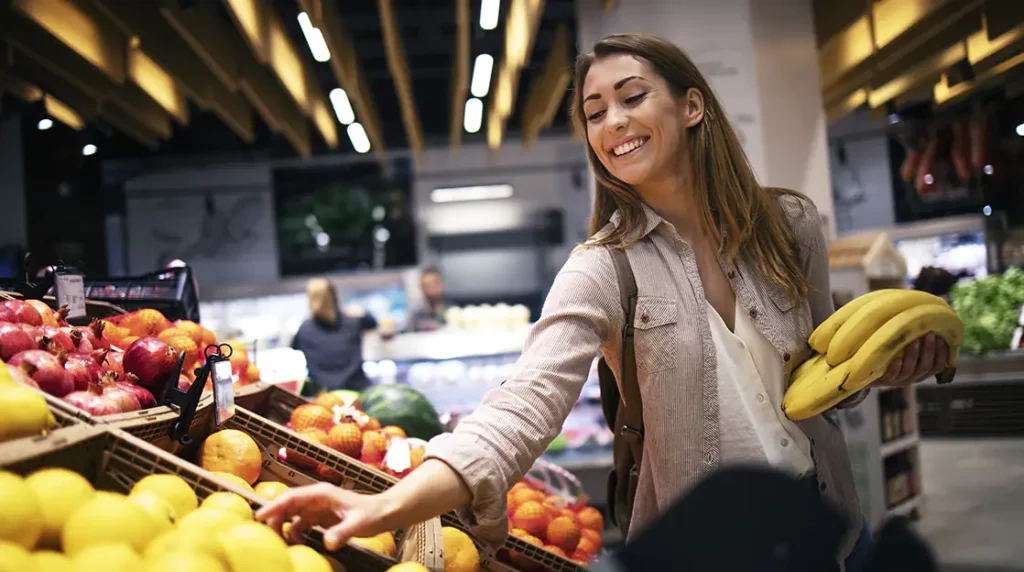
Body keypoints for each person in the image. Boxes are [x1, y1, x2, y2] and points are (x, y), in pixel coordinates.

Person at [258, 34, 951, 569]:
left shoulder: (792, 227)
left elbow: (822, 382)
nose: (612, 121)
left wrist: (887, 368)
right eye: (595, 112)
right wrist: (387, 502)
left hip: (828, 530)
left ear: (691, 104)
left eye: (631, 97)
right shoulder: (604, 269)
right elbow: (522, 406)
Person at [291, 278, 377, 393]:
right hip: (357, 391)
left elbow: (293, 346)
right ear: (334, 296)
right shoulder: (352, 321)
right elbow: (372, 323)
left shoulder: (305, 329)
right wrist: (361, 311)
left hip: (323, 395)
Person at [407, 266, 448, 332]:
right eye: (425, 286)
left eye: (431, 285)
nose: (429, 290)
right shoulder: (417, 315)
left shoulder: (453, 311)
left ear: (441, 285)